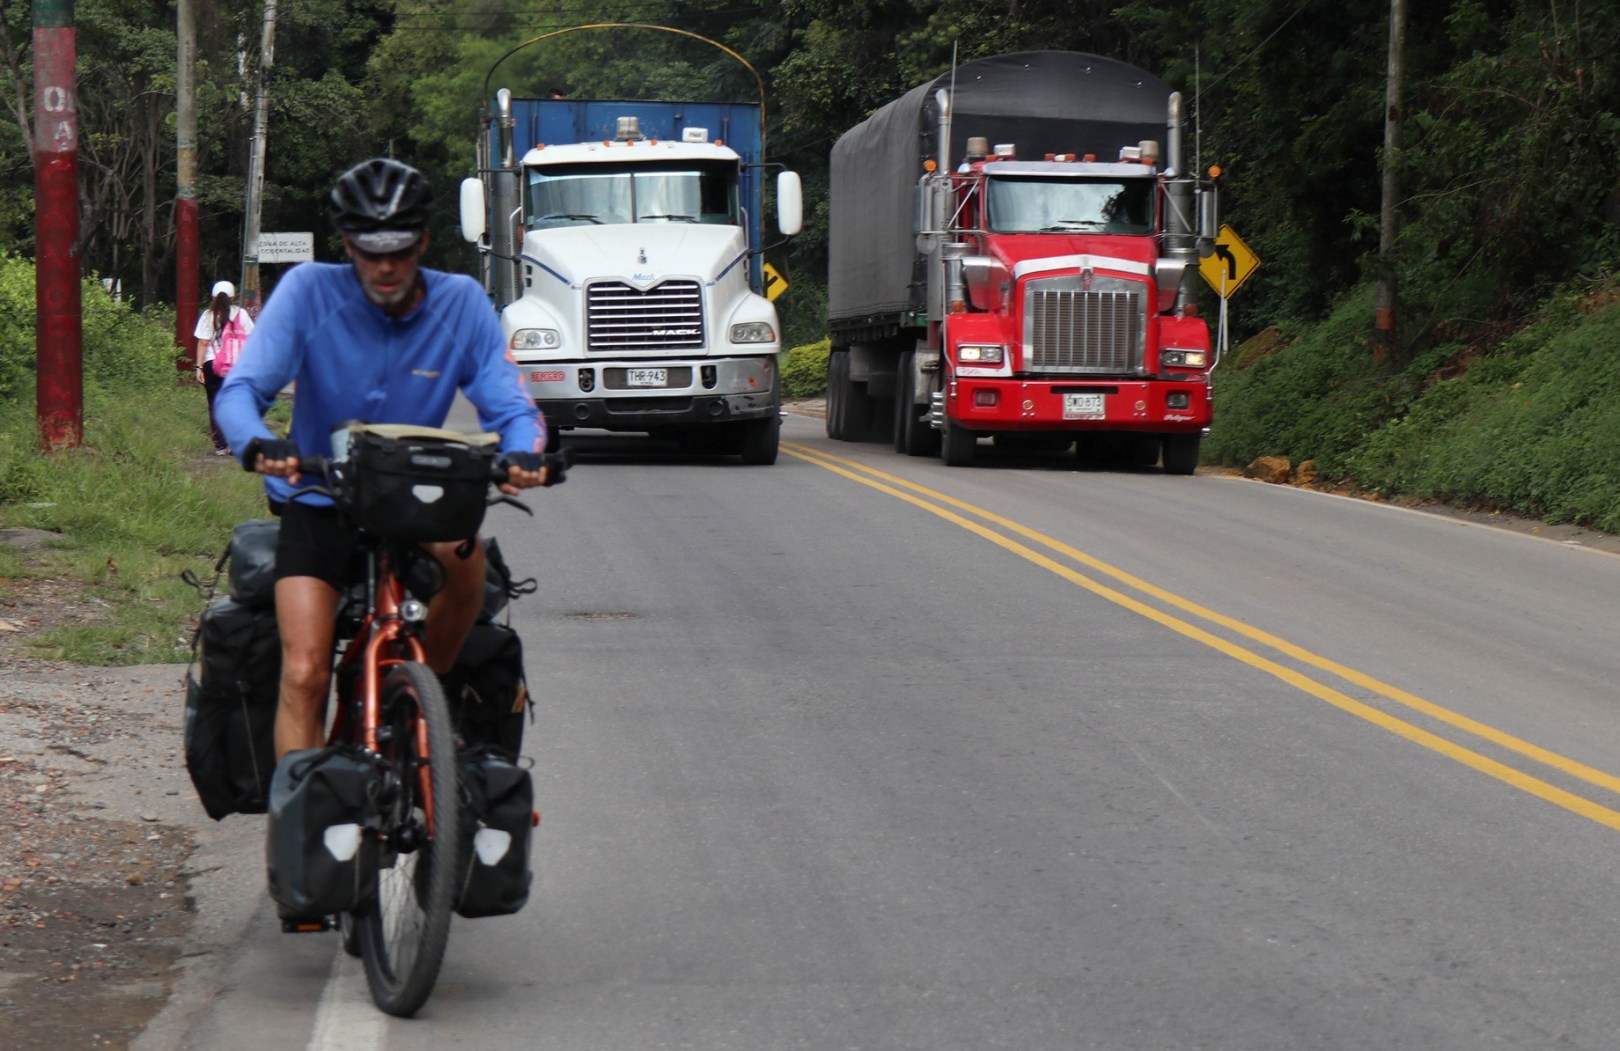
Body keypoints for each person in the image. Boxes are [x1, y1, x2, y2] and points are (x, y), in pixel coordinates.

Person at [214, 157, 549, 762]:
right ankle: (300, 812)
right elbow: (242, 390)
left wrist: (524, 452)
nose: (386, 266)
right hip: (320, 497)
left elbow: (510, 403)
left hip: (416, 500)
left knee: (467, 560)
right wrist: (258, 444)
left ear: (424, 241)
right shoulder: (309, 292)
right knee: (305, 673)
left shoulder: (460, 302)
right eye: (370, 252)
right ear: (348, 245)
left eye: (400, 250)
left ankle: (426, 700)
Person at [194, 280, 254, 455]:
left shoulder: (208, 315)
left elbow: (203, 342)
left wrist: (198, 367)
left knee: (214, 404)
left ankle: (221, 446)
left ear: (213, 297)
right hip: (236, 366)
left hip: (212, 364)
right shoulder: (241, 314)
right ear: (233, 297)